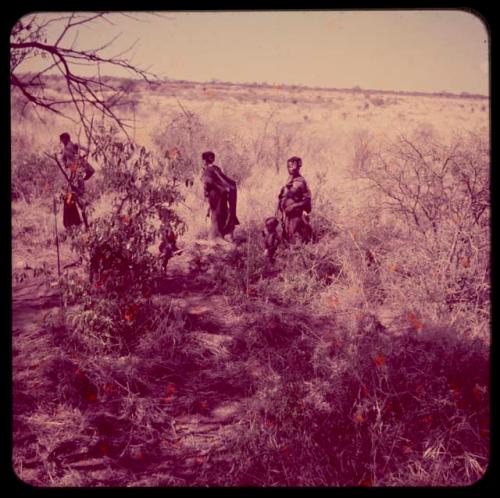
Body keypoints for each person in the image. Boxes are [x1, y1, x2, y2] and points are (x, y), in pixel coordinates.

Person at [59, 132, 95, 230]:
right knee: (72, 197)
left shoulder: (73, 145)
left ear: (66, 139)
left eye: (62, 140)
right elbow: (63, 160)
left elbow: (87, 150)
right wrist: (67, 164)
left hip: (76, 172)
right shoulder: (65, 150)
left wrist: (81, 156)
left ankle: (83, 224)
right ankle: (78, 223)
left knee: (77, 197)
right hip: (73, 173)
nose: (61, 142)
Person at [201, 151, 239, 241]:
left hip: (215, 195)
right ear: (211, 159)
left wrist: (206, 193)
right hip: (222, 194)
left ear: (204, 160)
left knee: (216, 214)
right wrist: (226, 188)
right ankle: (222, 234)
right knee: (222, 212)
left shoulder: (208, 170)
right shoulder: (215, 169)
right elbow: (225, 180)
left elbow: (208, 183)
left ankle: (216, 236)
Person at [277, 156, 312, 243]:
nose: (291, 168)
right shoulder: (288, 180)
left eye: (293, 166)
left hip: (296, 216)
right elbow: (282, 197)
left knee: (297, 240)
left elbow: (307, 201)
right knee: (287, 239)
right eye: (289, 166)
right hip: (286, 217)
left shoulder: (301, 181)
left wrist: (293, 206)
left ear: (299, 166)